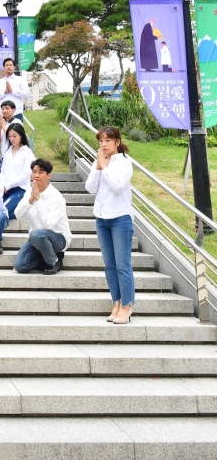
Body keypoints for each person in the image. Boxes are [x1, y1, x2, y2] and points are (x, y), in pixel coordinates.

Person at [85, 126, 135, 324]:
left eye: (108, 140)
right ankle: (116, 302)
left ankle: (127, 305)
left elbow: (117, 187)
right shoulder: (99, 161)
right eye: (101, 140)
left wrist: (105, 167)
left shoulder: (125, 162)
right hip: (101, 218)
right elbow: (90, 188)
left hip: (120, 218)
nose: (103, 144)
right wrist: (98, 167)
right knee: (110, 266)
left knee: (123, 265)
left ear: (117, 142)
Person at [14, 158, 72, 275]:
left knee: (36, 234)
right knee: (20, 266)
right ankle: (50, 256)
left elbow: (48, 225)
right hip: (37, 239)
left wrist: (38, 200)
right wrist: (31, 200)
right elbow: (18, 215)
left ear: (48, 175)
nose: (36, 175)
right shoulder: (29, 192)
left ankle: (53, 261)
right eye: (34, 172)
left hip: (58, 238)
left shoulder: (56, 197)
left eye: (40, 172)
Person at [1, 122, 35, 219]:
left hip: (20, 190)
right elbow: (3, 171)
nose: (11, 139)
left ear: (21, 135)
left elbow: (26, 175)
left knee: (2, 213)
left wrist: (8, 185)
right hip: (5, 190)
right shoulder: (7, 152)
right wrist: (2, 185)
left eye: (14, 136)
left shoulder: (27, 153)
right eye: (9, 136)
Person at [0, 99, 17, 171]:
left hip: (12, 157)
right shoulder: (4, 124)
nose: (4, 111)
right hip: (4, 157)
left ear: (13, 110)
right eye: (2, 109)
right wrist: (0, 127)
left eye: (7, 108)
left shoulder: (17, 122)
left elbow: (13, 138)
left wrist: (3, 125)